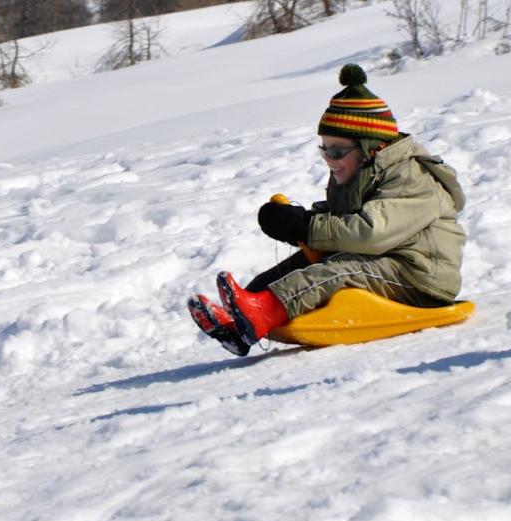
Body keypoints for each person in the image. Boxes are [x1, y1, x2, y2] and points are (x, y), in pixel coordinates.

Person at [188, 63, 467, 356]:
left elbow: (371, 232)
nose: (329, 160)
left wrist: (307, 227)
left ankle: (262, 311)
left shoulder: (414, 177)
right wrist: (296, 222)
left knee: (338, 270)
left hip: (419, 275)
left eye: (336, 151)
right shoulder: (359, 172)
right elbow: (342, 218)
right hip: (382, 260)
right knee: (296, 268)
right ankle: (242, 320)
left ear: (371, 147)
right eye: (324, 150)